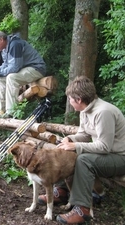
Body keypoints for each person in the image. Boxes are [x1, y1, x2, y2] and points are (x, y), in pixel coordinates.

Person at [38, 76, 125, 224]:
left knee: (84, 160)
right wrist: (71, 139)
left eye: (71, 99)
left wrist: (76, 146)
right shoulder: (86, 110)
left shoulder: (103, 112)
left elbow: (105, 146)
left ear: (78, 99)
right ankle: (62, 191)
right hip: (106, 154)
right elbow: (84, 134)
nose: (70, 103)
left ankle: (82, 209)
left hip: (119, 157)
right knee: (66, 151)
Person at [0, 30, 46, 117]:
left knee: (11, 77)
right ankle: (0, 110)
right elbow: (6, 65)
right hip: (26, 68)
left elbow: (15, 67)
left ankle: (11, 113)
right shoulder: (5, 48)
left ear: (1, 40)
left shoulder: (15, 45)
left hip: (36, 69)